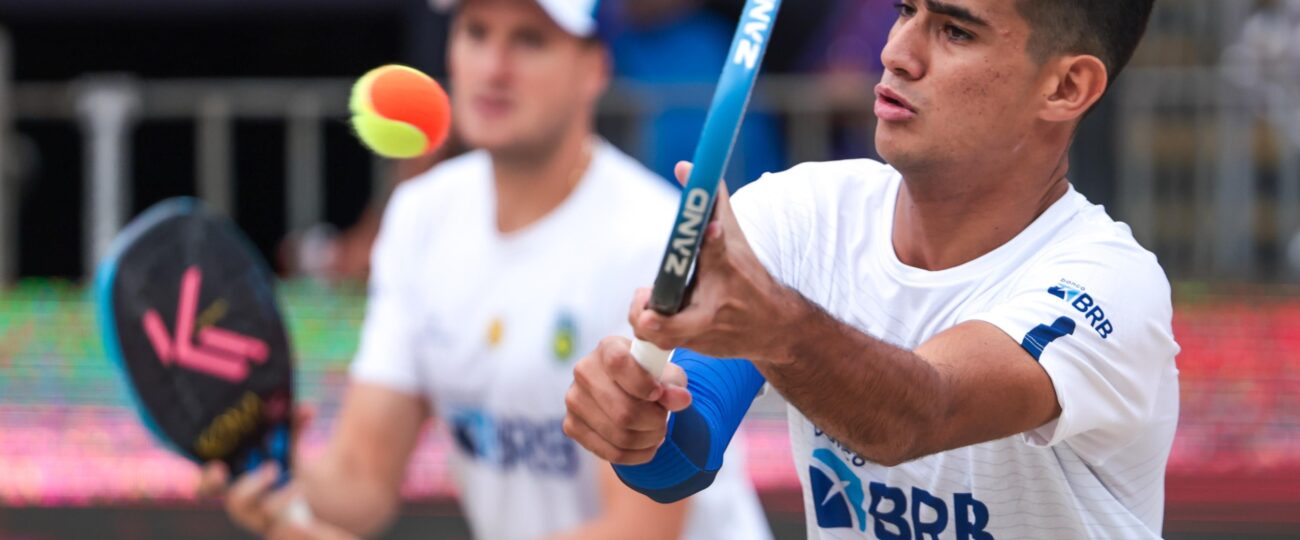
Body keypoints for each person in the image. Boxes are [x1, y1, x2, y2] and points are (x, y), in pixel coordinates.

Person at [564, 1, 1181, 538]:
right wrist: (634, 422)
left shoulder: (1111, 284)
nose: (895, 54)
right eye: (905, 11)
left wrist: (776, 328)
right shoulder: (796, 213)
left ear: (1067, 87)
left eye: (955, 32)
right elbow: (682, 456)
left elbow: (918, 415)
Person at [199, 0, 770, 539]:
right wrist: (279, 470)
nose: (494, 67)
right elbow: (362, 483)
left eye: (529, 39)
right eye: (476, 32)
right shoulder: (421, 214)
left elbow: (637, 530)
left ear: (594, 68)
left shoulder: (648, 235)